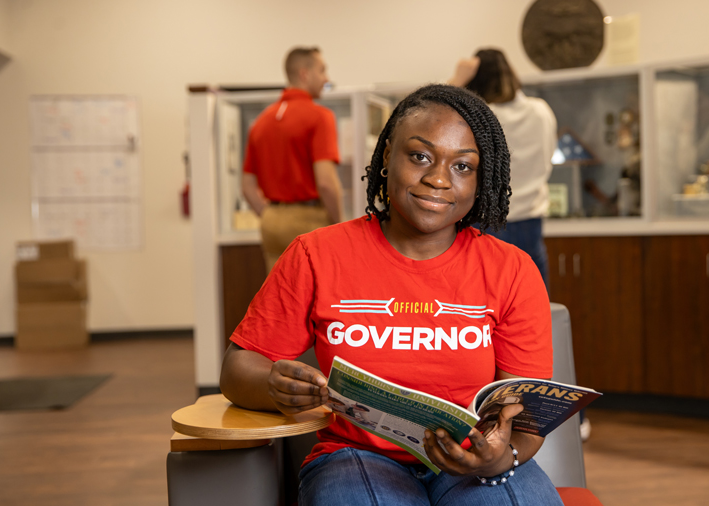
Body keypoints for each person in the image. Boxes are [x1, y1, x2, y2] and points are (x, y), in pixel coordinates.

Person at [221, 84, 564, 506]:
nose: (438, 178)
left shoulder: (511, 269)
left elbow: (525, 418)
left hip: (472, 462)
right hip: (356, 457)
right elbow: (238, 368)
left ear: (482, 177)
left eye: (462, 166)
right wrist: (272, 385)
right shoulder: (317, 255)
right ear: (386, 157)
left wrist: (499, 458)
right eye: (419, 156)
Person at [449, 49, 557, 289]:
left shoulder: (481, 116)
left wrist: (456, 81)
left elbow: (432, 118)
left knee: (483, 311)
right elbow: (549, 155)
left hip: (486, 223)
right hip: (531, 223)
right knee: (532, 308)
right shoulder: (541, 111)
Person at [241, 46, 344, 273]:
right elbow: (326, 183)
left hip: (272, 220)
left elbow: (247, 186)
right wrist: (338, 224)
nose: (326, 78)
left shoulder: (261, 122)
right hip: (309, 221)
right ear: (304, 74)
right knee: (317, 297)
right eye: (322, 70)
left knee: (280, 298)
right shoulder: (320, 117)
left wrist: (269, 214)